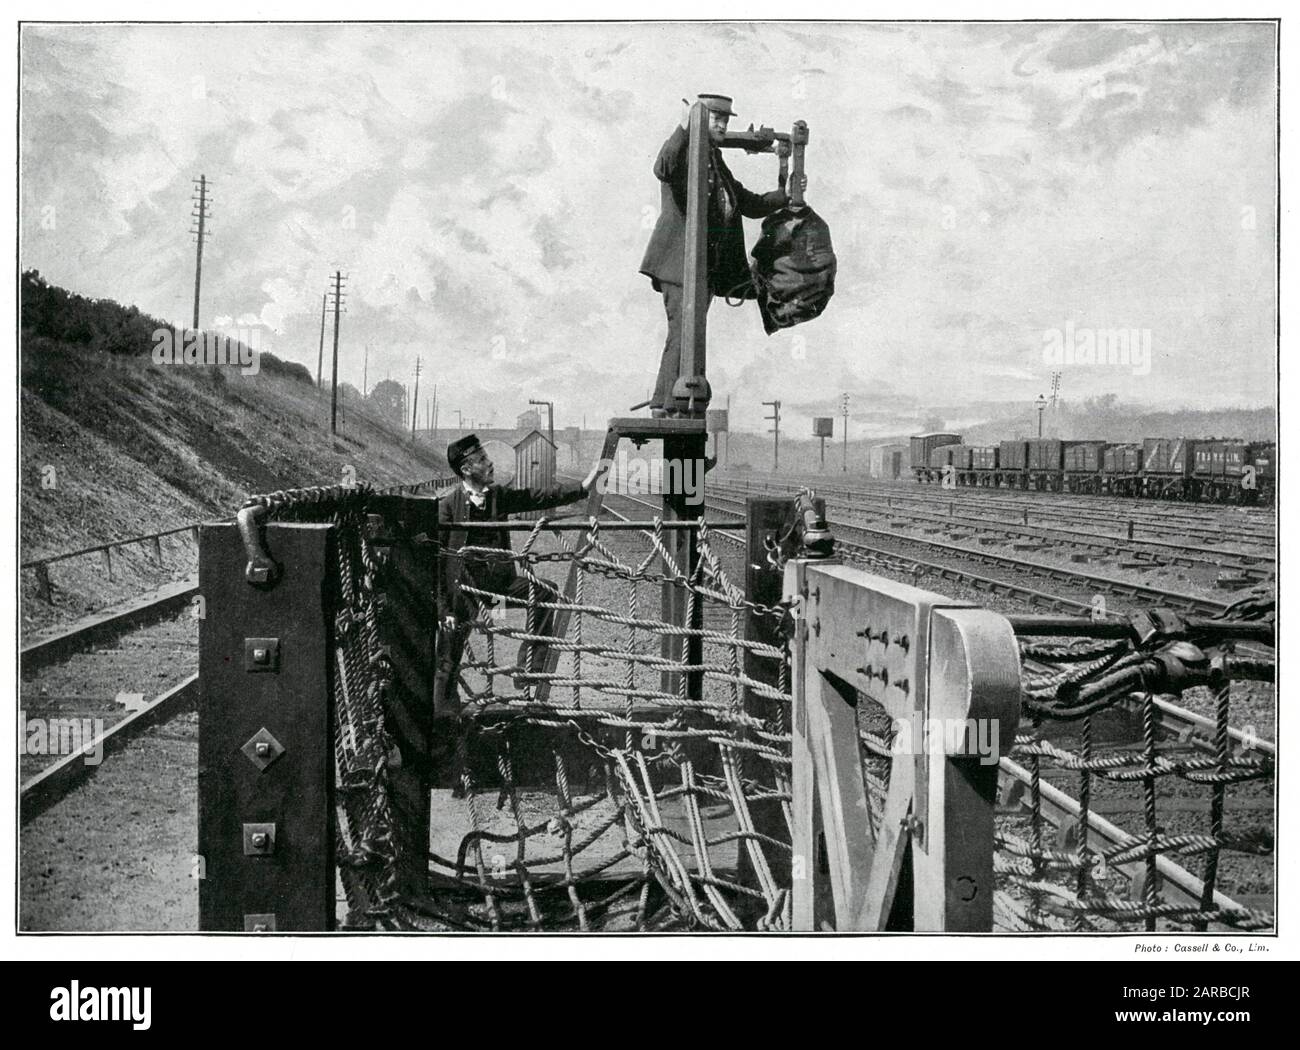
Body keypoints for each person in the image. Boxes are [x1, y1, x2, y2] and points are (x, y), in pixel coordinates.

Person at [638, 93, 804, 417]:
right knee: (684, 331)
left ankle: (672, 403)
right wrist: (684, 127)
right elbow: (663, 167)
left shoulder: (714, 159)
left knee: (690, 332)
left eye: (726, 121)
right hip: (678, 266)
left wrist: (785, 193)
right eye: (716, 119)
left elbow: (748, 202)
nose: (723, 126)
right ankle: (667, 406)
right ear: (701, 120)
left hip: (703, 271)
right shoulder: (684, 152)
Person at [434, 434, 607, 712]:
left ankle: (529, 668)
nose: (490, 464)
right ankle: (443, 712)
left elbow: (535, 497)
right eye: (482, 460)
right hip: (465, 592)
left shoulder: (498, 497)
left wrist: (584, 487)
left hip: (499, 592)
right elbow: (440, 566)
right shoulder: (447, 508)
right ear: (466, 470)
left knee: (547, 592)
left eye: (488, 458)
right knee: (447, 654)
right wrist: (445, 611)